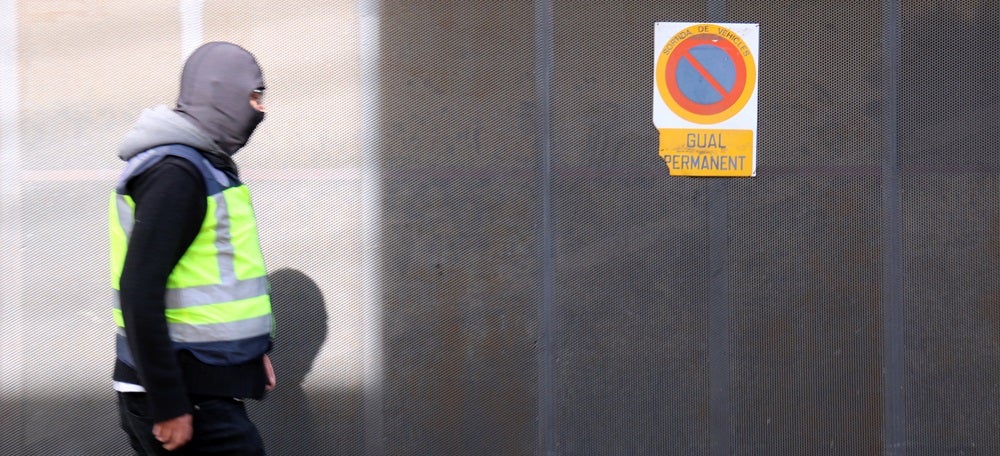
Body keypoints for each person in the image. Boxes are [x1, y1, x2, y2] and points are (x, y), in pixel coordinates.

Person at [110, 42, 275, 455]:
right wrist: (169, 402)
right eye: (254, 96)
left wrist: (247, 356)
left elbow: (209, 286)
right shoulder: (177, 173)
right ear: (221, 93)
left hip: (196, 389)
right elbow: (140, 291)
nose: (260, 109)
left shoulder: (200, 167)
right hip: (184, 396)